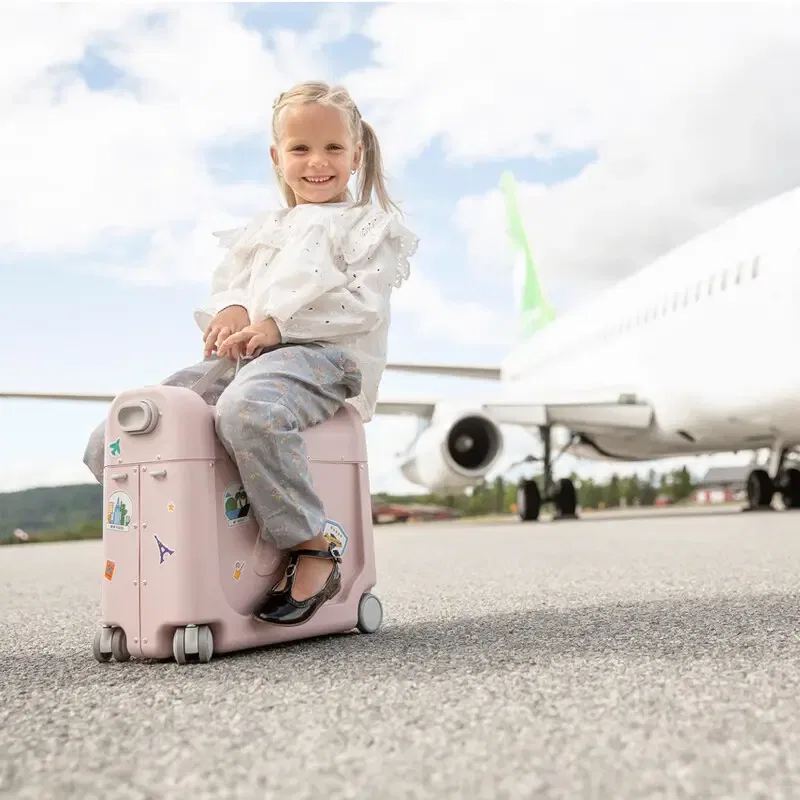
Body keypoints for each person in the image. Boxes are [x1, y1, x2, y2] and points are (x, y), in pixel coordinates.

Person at [82, 80, 418, 626]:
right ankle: (194, 539)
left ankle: (312, 548)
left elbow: (363, 307)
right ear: (277, 157)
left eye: (333, 148)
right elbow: (231, 287)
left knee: (247, 411)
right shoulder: (264, 228)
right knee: (122, 433)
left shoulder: (368, 227)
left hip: (321, 356)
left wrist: (278, 326)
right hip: (248, 357)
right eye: (301, 148)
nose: (317, 162)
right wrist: (233, 310)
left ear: (356, 154)